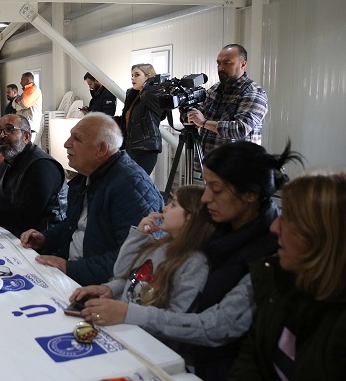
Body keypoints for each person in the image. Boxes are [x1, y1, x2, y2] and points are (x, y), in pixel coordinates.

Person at [80, 141, 303, 381]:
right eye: (207, 186)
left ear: (250, 194)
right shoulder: (218, 227)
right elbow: (155, 277)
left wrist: (130, 313)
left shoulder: (269, 253)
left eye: (216, 189)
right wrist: (112, 288)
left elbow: (218, 326)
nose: (206, 198)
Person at [20, 113, 163, 285]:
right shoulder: (87, 177)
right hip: (74, 276)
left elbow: (137, 257)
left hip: (100, 289)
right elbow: (76, 226)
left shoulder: (130, 186)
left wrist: (70, 268)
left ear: (101, 149)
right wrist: (45, 239)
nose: (66, 144)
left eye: (77, 139)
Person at [228, 173, 346, 380]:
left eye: (289, 219)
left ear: (325, 235)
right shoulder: (280, 283)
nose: (274, 227)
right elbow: (252, 356)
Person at [72, 185, 215, 336]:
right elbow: (122, 272)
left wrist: (128, 313)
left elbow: (179, 318)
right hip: (121, 327)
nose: (165, 208)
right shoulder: (159, 245)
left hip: (147, 338)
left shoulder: (195, 264)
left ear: (191, 218)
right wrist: (138, 235)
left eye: (173, 205)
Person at [187, 44, 268, 158]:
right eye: (218, 63)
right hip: (211, 163)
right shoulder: (215, 89)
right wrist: (188, 110)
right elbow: (200, 112)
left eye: (227, 63)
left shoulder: (253, 92)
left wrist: (204, 123)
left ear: (243, 64)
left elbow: (240, 129)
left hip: (239, 167)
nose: (221, 68)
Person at [113, 63, 165, 175]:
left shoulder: (153, 94)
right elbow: (127, 119)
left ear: (148, 76)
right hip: (132, 147)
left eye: (137, 75)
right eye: (132, 75)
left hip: (147, 149)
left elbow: (161, 110)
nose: (132, 78)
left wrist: (150, 84)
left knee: (137, 184)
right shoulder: (134, 95)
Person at [11, 72, 42, 138]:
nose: (20, 82)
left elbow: (24, 105)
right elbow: (14, 103)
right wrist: (17, 101)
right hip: (24, 125)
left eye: (22, 80)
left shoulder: (34, 90)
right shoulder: (26, 91)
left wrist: (17, 103)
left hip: (31, 126)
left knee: (28, 146)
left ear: (28, 80)